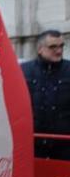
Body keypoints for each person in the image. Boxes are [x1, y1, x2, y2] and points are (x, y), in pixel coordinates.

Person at [21, 30, 70, 160]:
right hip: (33, 144)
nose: (58, 51)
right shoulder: (24, 71)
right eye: (53, 47)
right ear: (40, 49)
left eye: (61, 46)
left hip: (64, 147)